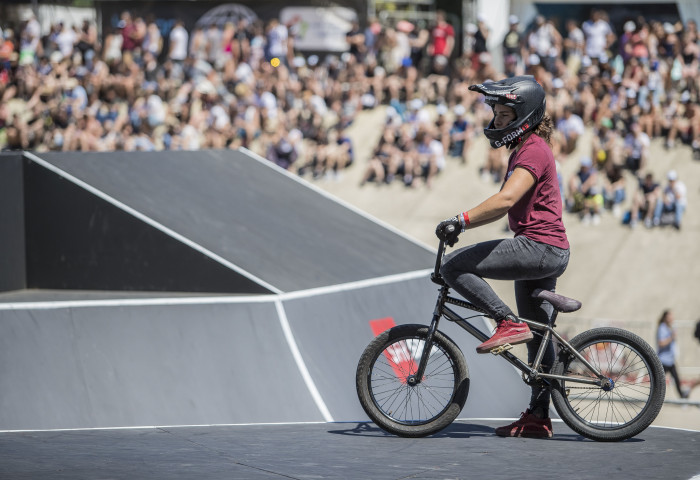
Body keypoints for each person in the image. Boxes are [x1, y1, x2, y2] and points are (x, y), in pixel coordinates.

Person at [436, 76, 569, 438]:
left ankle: (505, 322)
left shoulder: (533, 150)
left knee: (454, 265)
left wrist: (459, 221)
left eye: (504, 115)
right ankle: (539, 417)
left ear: (523, 117)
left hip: (538, 246)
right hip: (545, 248)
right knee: (538, 338)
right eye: (495, 114)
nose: (496, 123)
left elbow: (506, 200)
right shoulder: (526, 147)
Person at [657, 309, 689, 399]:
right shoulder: (662, 328)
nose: (672, 318)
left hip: (670, 360)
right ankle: (654, 398)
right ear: (666, 317)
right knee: (659, 382)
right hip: (663, 360)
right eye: (670, 316)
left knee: (677, 380)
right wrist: (672, 337)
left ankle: (683, 398)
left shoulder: (669, 327)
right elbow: (661, 343)